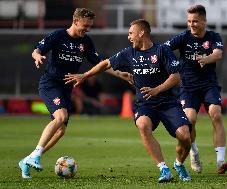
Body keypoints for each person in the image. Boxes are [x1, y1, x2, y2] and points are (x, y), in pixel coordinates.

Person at [64, 19, 193, 182]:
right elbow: (104, 64)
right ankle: (164, 169)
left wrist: (157, 90)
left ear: (142, 33)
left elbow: (176, 77)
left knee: (185, 136)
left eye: (131, 33)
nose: (128, 36)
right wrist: (84, 75)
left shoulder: (162, 51)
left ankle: (179, 164)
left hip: (167, 102)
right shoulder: (128, 53)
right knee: (143, 125)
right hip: (145, 104)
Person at [18, 8, 127, 179]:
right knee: (61, 117)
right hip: (50, 84)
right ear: (75, 21)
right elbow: (37, 49)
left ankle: (28, 159)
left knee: (60, 130)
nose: (87, 29)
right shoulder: (58, 36)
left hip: (66, 89)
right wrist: (37, 57)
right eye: (85, 25)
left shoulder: (86, 42)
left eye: (90, 26)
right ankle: (36, 155)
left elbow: (101, 65)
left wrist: (121, 74)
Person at [164, 4, 227, 174]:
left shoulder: (213, 36)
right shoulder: (182, 38)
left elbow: (218, 54)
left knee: (216, 114)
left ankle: (220, 161)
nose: (191, 24)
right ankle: (193, 152)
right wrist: (170, 62)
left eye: (195, 21)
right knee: (190, 119)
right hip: (188, 87)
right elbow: (163, 49)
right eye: (189, 21)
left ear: (204, 21)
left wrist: (205, 58)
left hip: (209, 85)